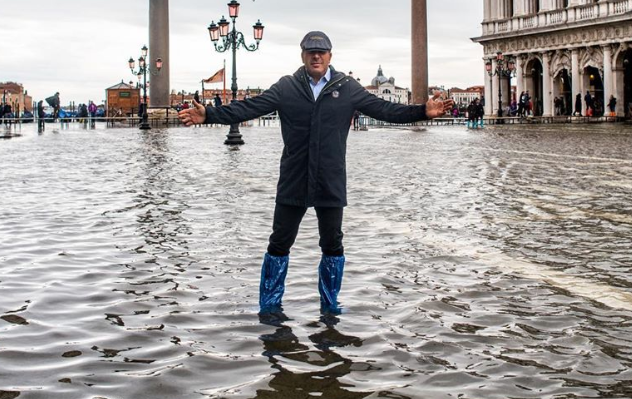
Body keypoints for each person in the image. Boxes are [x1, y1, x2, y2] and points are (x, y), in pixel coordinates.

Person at [178, 31, 449, 316]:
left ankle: (329, 307)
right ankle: (269, 307)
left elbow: (385, 110)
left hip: (330, 179)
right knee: (279, 242)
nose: (316, 56)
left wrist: (422, 111)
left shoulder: (348, 87)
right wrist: (209, 115)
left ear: (330, 55)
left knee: (332, 243)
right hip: (294, 177)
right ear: (303, 55)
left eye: (321, 52)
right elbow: (249, 107)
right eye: (311, 51)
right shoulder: (287, 87)